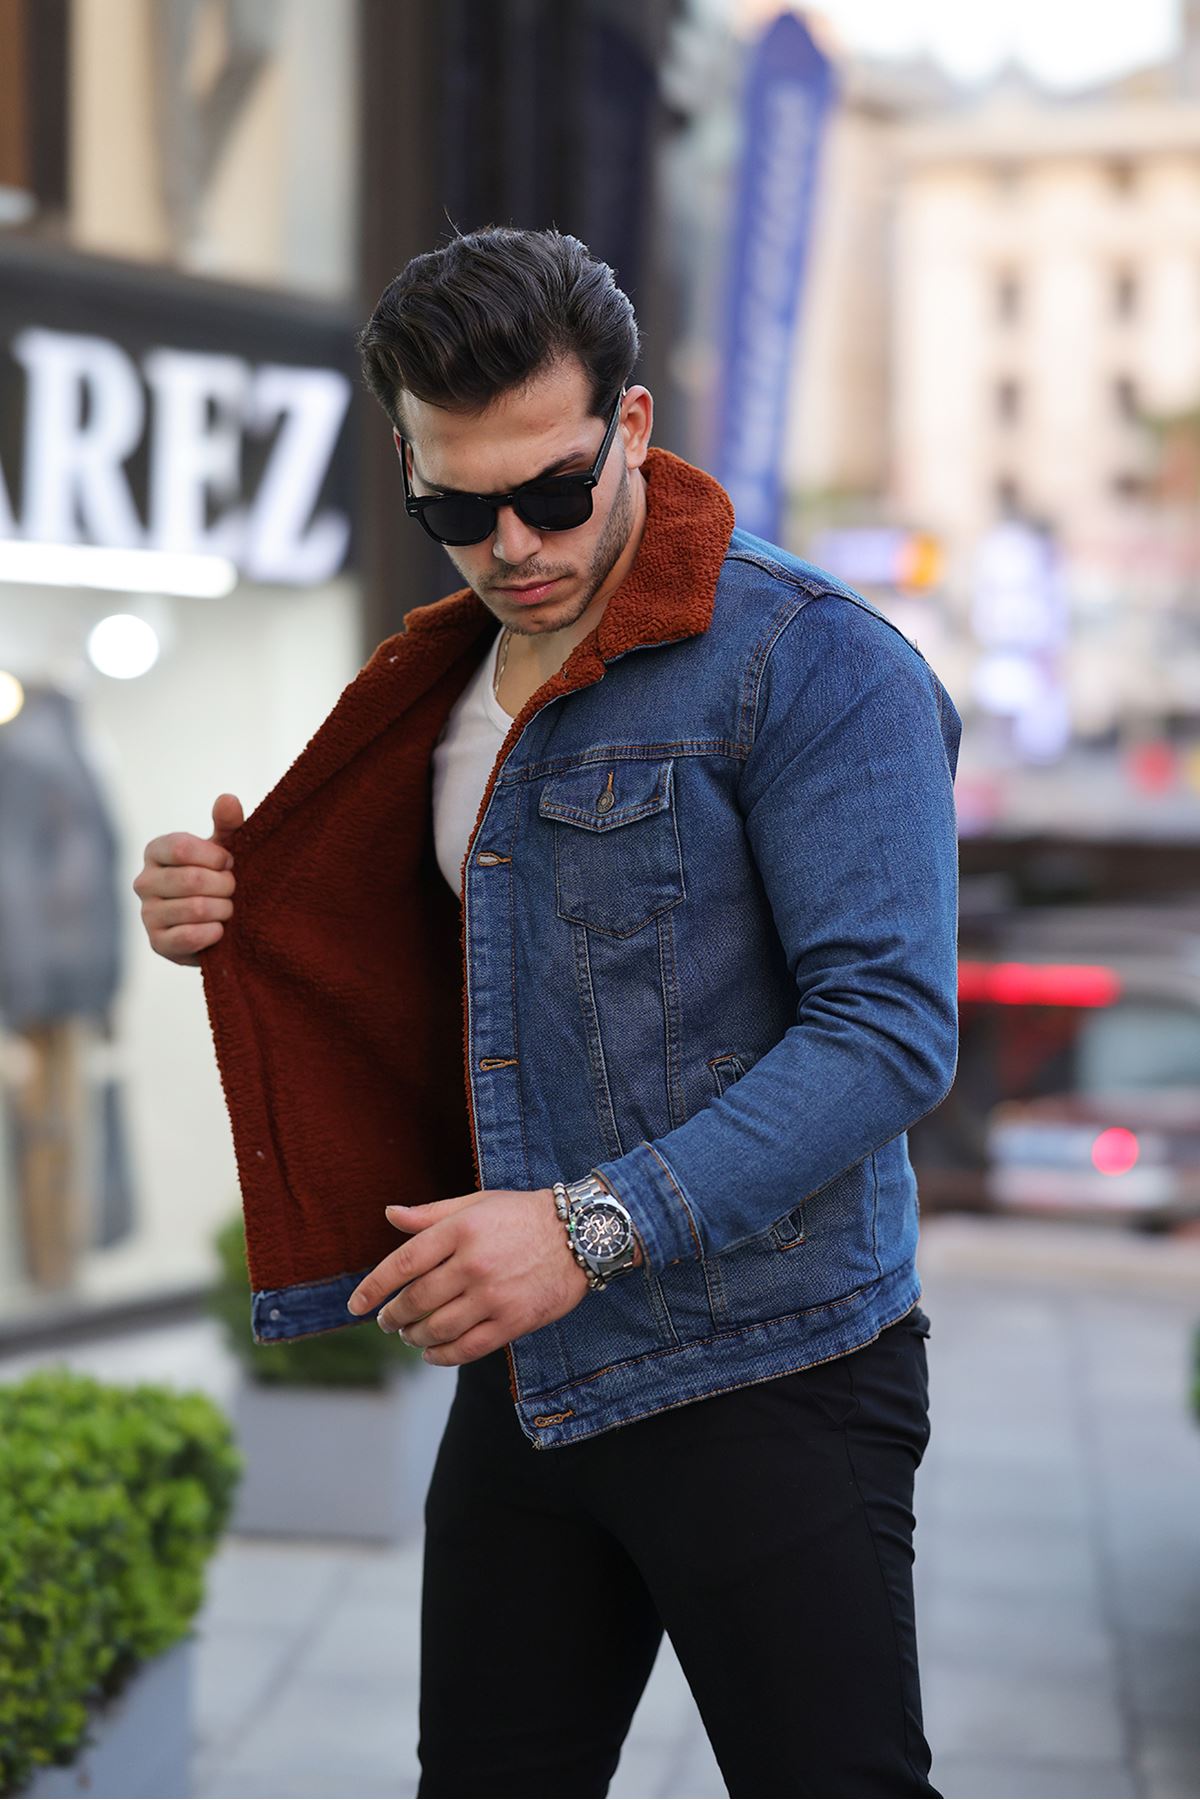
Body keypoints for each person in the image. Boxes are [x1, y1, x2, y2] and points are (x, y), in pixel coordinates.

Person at [133, 226, 960, 1799]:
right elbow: (456, 967)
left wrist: (582, 1230)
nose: (511, 544)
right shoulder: (437, 681)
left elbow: (889, 1033)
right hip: (531, 1375)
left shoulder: (813, 662)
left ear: (631, 426)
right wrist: (228, 918)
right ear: (407, 464)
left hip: (773, 1369)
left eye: (555, 491)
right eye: (457, 507)